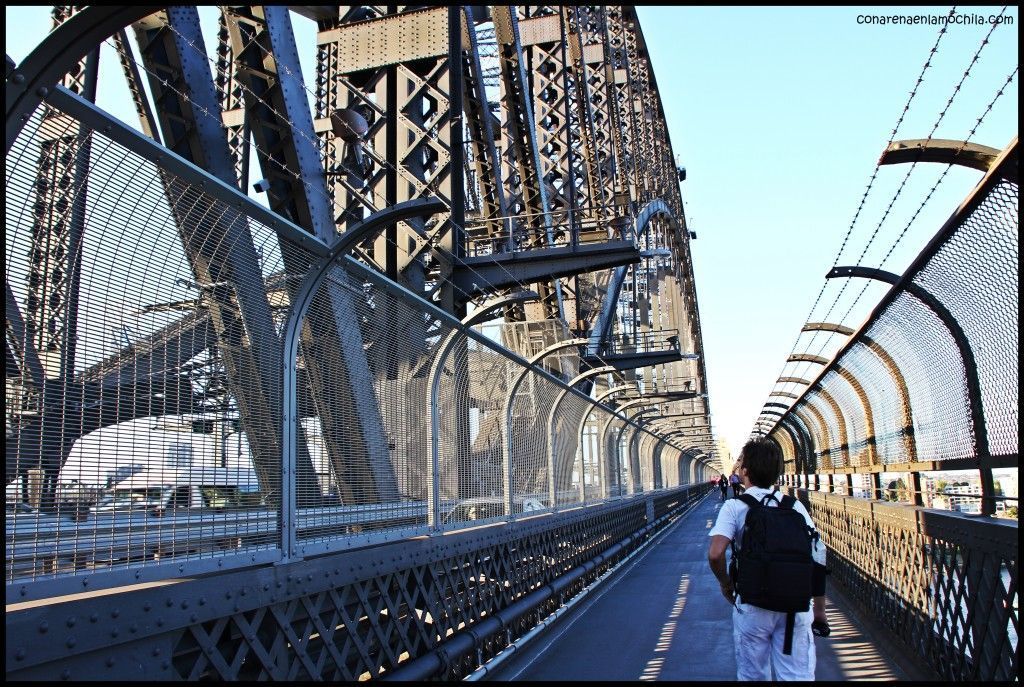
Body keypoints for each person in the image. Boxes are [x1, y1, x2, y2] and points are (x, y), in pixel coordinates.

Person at [707, 439, 829, 681]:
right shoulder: (795, 507)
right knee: (796, 676)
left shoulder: (734, 507)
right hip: (794, 605)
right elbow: (818, 555)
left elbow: (716, 553)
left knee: (753, 675)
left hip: (753, 603)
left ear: (745, 471)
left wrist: (725, 583)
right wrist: (820, 610)